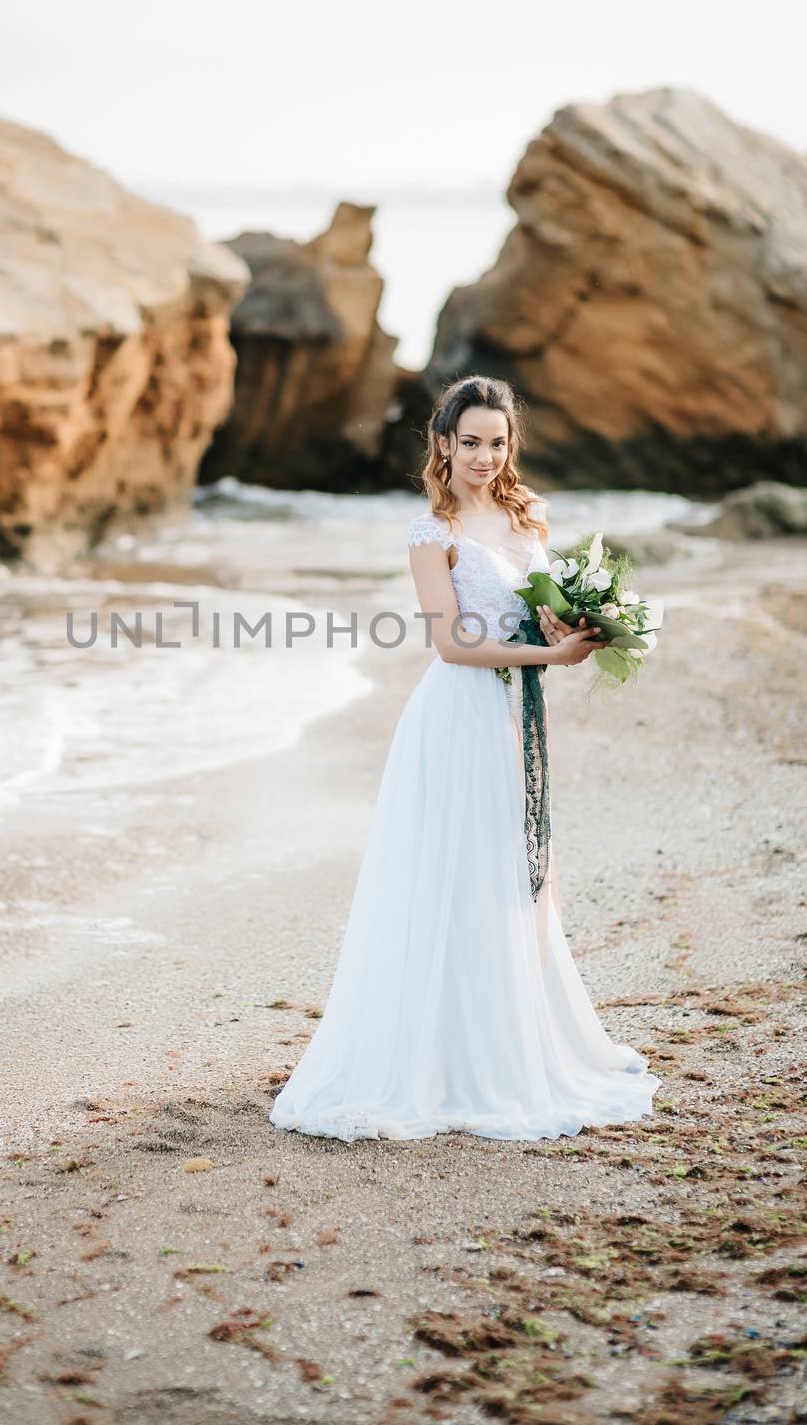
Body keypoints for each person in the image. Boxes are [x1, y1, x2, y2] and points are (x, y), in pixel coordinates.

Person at [268, 374, 661, 1143]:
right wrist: (547, 650)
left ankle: (516, 1036)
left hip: (516, 713)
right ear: (443, 444)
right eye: (471, 442)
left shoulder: (530, 517)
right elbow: (449, 643)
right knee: (458, 869)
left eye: (498, 442)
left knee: (515, 871)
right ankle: (445, 1057)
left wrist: (575, 627)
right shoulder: (431, 533)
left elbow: (533, 606)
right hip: (457, 715)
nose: (486, 457)